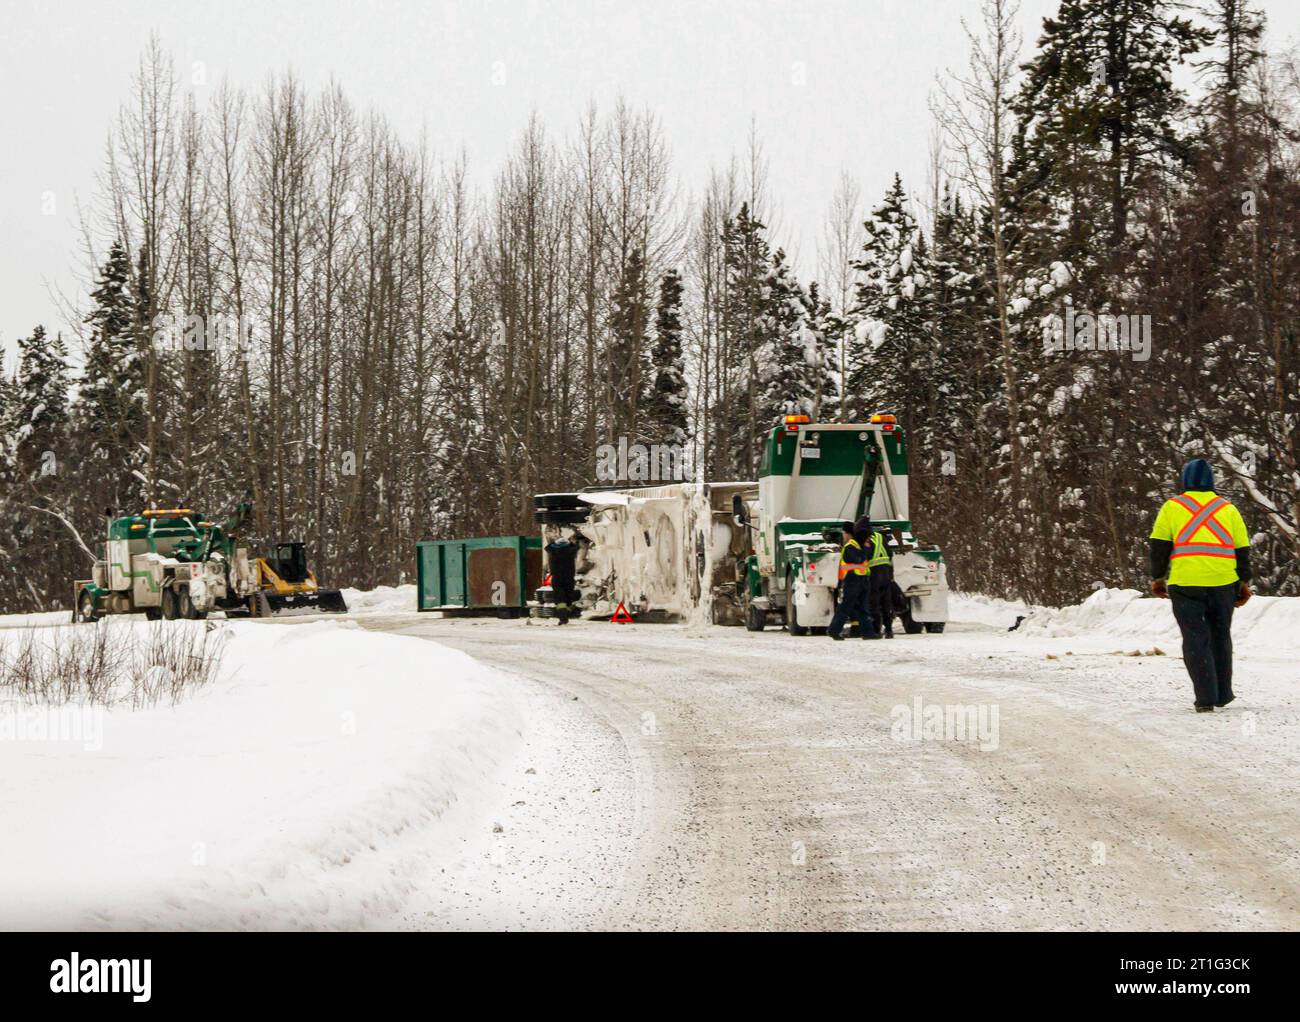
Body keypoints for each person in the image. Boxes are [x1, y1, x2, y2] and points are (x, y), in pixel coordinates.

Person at [1149, 458, 1252, 712]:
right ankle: (1222, 694)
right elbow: (1242, 550)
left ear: (1185, 481)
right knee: (1220, 635)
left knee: (1195, 638)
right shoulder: (1227, 509)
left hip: (1185, 584)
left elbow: (1159, 546)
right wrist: (1244, 582)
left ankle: (1205, 698)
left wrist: (1158, 577)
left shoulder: (1171, 507)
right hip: (1223, 582)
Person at [828, 520, 875, 640]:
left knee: (863, 607)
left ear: (848, 534)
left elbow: (867, 556)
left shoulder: (857, 545)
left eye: (844, 533)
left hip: (861, 580)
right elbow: (859, 559)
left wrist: (866, 547)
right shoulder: (850, 547)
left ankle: (868, 633)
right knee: (846, 606)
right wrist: (865, 549)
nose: (843, 536)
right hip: (852, 579)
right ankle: (834, 630)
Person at [860, 515, 894, 638]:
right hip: (886, 572)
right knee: (886, 601)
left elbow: (865, 556)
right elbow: (890, 554)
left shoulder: (866, 540)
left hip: (874, 574)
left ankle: (876, 629)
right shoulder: (880, 537)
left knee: (873, 602)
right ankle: (889, 630)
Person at [544, 532, 580, 625]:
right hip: (569, 577)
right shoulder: (571, 551)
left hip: (557, 577)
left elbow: (547, 547)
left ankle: (563, 617)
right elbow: (576, 547)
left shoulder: (553, 551)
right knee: (568, 596)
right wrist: (571, 542)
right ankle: (566, 614)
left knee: (560, 598)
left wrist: (554, 541)